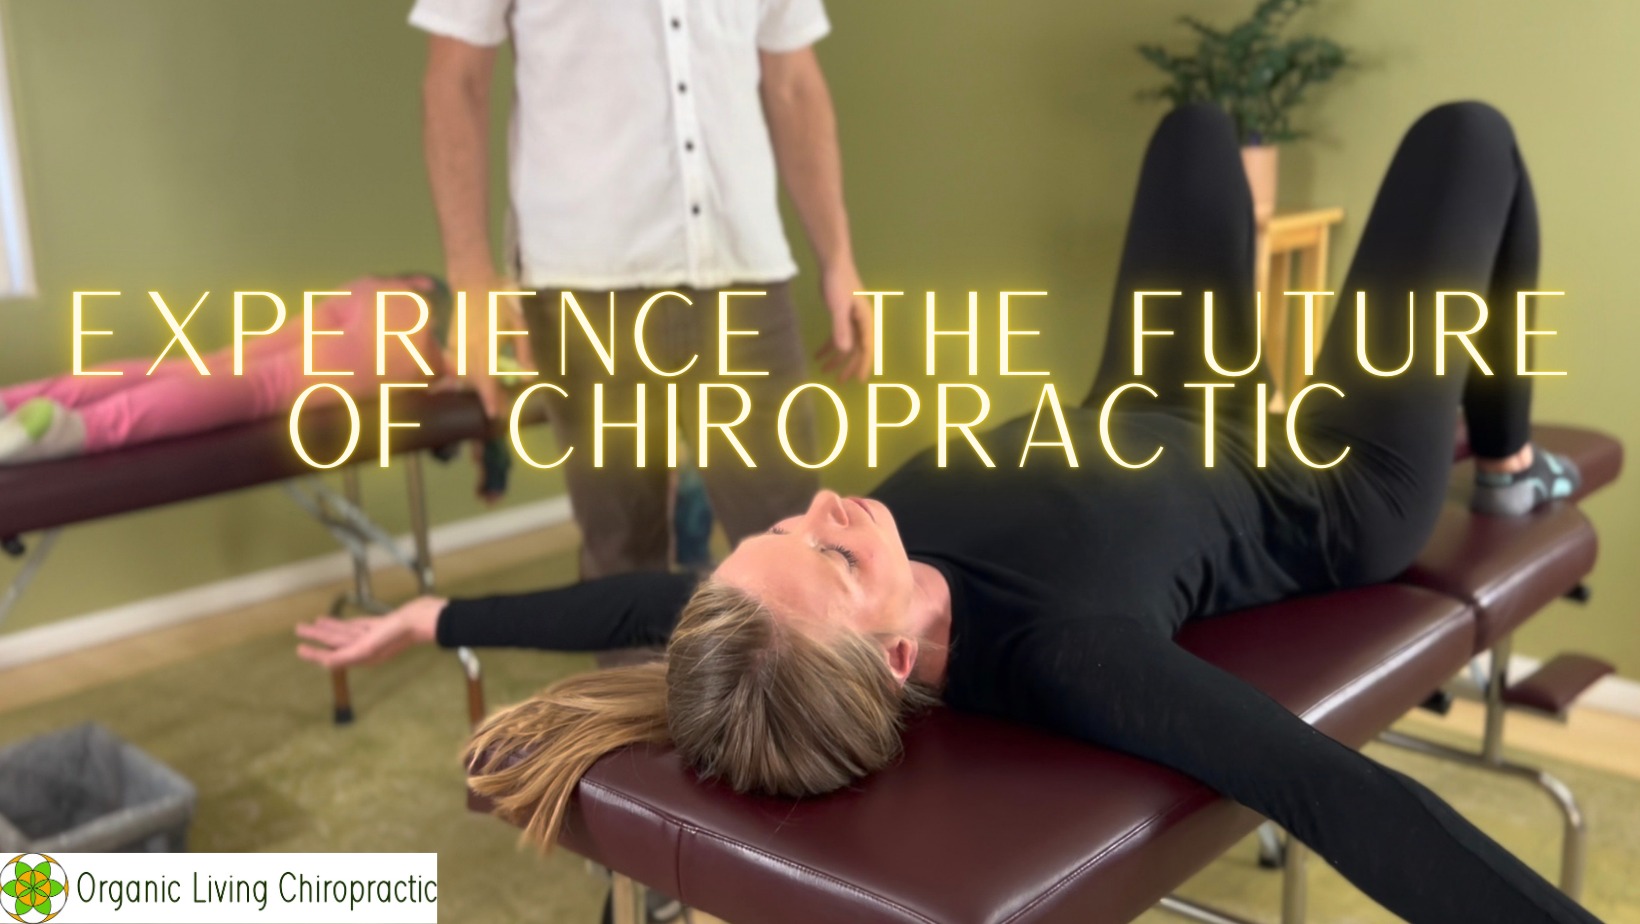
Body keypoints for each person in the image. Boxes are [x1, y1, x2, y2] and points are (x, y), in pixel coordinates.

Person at [298, 103, 1597, 923]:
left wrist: (434, 614)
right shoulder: (1066, 657)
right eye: (829, 555)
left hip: (1155, 397)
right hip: (1325, 487)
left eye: (776, 534)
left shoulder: (795, 613)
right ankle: (1506, 457)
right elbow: (1327, 792)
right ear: (892, 658)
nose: (823, 508)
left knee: (1196, 135)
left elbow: (640, 598)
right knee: (1467, 140)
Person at [411, 0, 875, 582]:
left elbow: (793, 82)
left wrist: (838, 259)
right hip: (584, 283)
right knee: (623, 561)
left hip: (743, 270)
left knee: (799, 553)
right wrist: (471, 276)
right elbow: (455, 79)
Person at [0, 275, 516, 485]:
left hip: (382, 290)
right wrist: (495, 461)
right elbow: (499, 389)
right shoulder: (517, 326)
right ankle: (74, 431)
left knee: (206, 366)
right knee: (263, 389)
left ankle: (15, 401)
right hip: (418, 328)